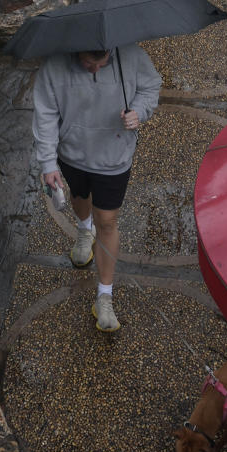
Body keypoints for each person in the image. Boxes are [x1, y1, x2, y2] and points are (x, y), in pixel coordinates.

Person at [35, 44, 161, 332]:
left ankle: (104, 297)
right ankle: (83, 230)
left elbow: (152, 85)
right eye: (87, 62)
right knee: (80, 198)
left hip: (114, 157)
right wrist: (47, 163)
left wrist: (139, 112)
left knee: (108, 221)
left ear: (111, 50)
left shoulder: (133, 56)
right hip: (72, 154)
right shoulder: (54, 65)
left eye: (101, 61)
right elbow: (45, 113)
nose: (95, 69)